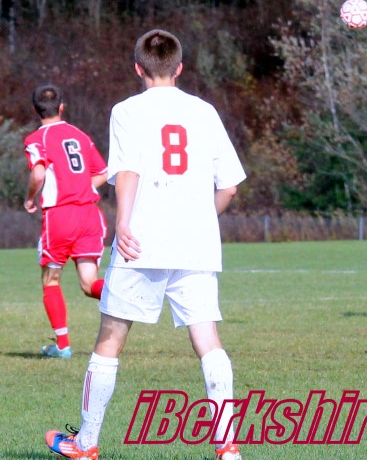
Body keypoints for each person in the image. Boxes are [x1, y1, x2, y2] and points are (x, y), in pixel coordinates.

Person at [45, 29, 246, 460]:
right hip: (195, 245)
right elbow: (229, 187)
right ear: (179, 68)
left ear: (138, 68)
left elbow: (128, 171)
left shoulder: (126, 110)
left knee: (110, 340)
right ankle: (227, 447)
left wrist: (122, 223)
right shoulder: (205, 111)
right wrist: (198, 221)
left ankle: (85, 443)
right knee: (208, 340)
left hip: (141, 242)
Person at [23, 84, 107, 359]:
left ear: (36, 110)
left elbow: (38, 174)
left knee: (51, 280)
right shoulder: (80, 135)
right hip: (89, 215)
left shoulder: (36, 139)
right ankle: (127, 294)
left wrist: (30, 199)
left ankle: (62, 346)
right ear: (61, 107)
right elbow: (103, 172)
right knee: (89, 283)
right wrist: (81, 187)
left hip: (60, 216)